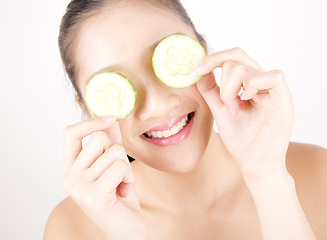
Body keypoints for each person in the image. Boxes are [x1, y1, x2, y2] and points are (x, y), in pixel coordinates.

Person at [44, 0, 327, 239]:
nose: (156, 106)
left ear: (203, 50)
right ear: (87, 107)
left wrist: (267, 178)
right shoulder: (69, 228)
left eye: (170, 59)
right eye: (114, 87)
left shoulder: (318, 174)